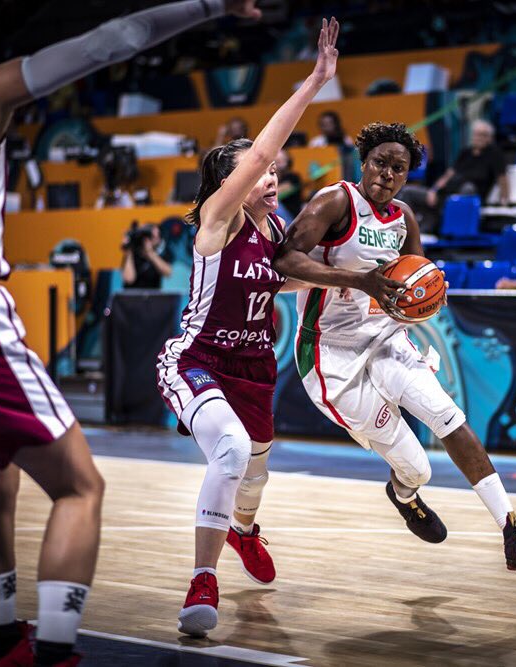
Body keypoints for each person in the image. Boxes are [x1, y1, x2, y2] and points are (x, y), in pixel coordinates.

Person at [0, 1, 264, 663]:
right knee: (80, 487)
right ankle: (56, 651)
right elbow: (117, 39)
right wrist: (212, 6)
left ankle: (3, 643)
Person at [273, 121, 516, 573]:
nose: (386, 173)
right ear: (363, 162)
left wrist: (420, 303)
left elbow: (418, 278)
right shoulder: (336, 201)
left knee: (448, 415)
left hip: (385, 338)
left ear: (407, 176)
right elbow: (284, 258)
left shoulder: (404, 218)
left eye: (397, 168)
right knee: (417, 468)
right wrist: (357, 280)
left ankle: (514, 533)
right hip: (328, 352)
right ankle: (404, 493)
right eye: (380, 163)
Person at [156, 17, 345, 636]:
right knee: (233, 452)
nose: (271, 175)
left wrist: (364, 279)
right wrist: (315, 80)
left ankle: (242, 531)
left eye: (271, 173)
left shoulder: (273, 226)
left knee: (256, 469)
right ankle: (201, 581)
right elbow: (262, 148)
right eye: (260, 172)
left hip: (254, 365)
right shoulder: (219, 218)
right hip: (198, 358)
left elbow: (286, 281)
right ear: (231, 182)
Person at [398, 119, 507, 233]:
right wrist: (434, 191)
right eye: (476, 134)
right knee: (407, 192)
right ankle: (402, 230)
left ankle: (439, 225)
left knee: (467, 188)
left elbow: (502, 179)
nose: (479, 137)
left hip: (468, 197)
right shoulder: (465, 153)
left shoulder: (495, 155)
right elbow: (448, 175)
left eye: (483, 135)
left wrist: (504, 201)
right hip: (444, 194)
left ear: (489, 138)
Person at [121, 222, 174, 289]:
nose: (157, 238)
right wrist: (129, 253)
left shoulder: (160, 253)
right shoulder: (132, 254)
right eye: (153, 236)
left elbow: (168, 272)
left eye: (158, 235)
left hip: (153, 296)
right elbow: (129, 279)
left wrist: (150, 253)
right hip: (132, 296)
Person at [274, 149, 302, 218]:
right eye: (277, 161)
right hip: (278, 216)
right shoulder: (272, 178)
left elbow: (276, 192)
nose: (280, 164)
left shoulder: (292, 177)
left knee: (274, 204)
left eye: (282, 160)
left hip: (291, 217)